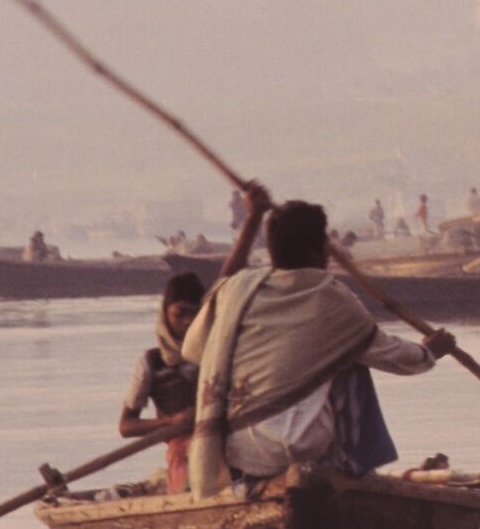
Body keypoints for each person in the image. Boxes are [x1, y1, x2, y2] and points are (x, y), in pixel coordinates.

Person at [179, 187, 454, 491]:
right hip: (301, 449)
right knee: (353, 361)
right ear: (317, 251)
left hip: (236, 451)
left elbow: (194, 347)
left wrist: (252, 218)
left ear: (271, 250)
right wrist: (429, 352)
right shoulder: (331, 297)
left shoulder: (237, 289)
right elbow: (399, 359)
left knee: (344, 349)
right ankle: (354, 470)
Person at [118, 272, 208, 492]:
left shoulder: (217, 353)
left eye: (195, 315)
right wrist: (170, 421)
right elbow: (126, 426)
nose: (188, 323)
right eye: (180, 314)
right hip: (183, 453)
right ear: (166, 315)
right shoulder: (151, 363)